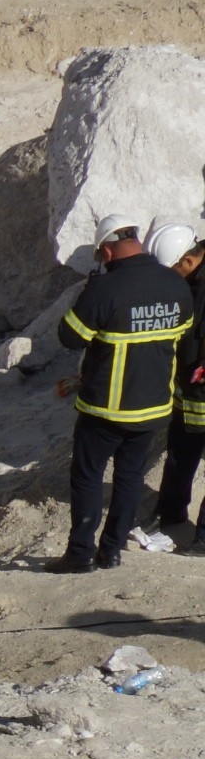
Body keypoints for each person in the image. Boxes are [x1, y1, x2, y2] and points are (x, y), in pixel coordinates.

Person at [51, 214, 196, 573]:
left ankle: (80, 554)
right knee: (130, 478)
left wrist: (91, 292)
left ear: (107, 251)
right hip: (153, 407)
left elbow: (69, 337)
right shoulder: (177, 286)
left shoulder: (105, 290)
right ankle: (111, 551)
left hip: (105, 408)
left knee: (87, 475)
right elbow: (184, 339)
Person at [152, 223, 205, 546]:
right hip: (187, 385)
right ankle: (170, 513)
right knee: (180, 449)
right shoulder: (190, 281)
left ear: (187, 261)